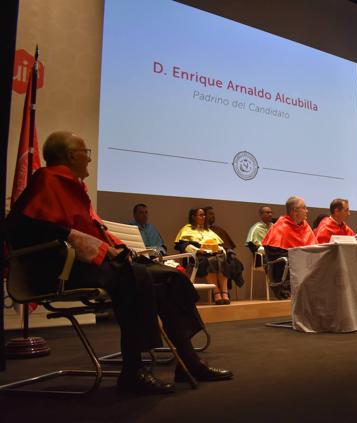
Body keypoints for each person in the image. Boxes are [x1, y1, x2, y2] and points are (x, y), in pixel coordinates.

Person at [7, 131, 232, 394]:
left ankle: (188, 361)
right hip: (61, 269)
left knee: (170, 276)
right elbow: (20, 227)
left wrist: (118, 249)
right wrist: (81, 242)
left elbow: (94, 230)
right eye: (86, 153)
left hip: (94, 265)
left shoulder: (75, 188)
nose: (89, 159)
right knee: (136, 276)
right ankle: (133, 371)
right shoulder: (47, 180)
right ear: (70, 156)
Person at [174, 208, 237, 305]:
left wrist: (220, 249)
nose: (203, 217)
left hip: (213, 254)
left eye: (204, 215)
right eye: (200, 215)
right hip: (197, 257)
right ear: (193, 217)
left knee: (222, 259)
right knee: (211, 261)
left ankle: (224, 292)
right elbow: (182, 245)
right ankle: (216, 293)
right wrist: (197, 250)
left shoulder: (208, 231)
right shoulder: (187, 229)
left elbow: (218, 244)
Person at [262, 196, 317, 298]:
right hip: (287, 270)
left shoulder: (305, 226)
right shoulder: (280, 226)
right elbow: (273, 254)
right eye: (304, 208)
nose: (307, 211)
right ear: (294, 210)